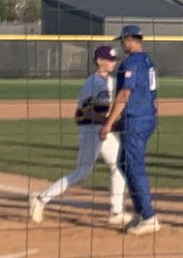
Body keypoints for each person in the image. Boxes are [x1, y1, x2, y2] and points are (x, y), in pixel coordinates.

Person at [29, 45, 129, 227]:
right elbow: (82, 113)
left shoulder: (109, 81)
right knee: (82, 173)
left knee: (120, 166)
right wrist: (112, 123)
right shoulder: (92, 83)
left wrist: (110, 123)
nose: (113, 62)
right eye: (109, 59)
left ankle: (116, 212)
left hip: (102, 130)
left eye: (114, 59)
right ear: (99, 61)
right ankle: (40, 199)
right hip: (91, 131)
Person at [100, 25, 161, 235]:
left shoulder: (132, 62)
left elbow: (125, 94)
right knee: (124, 163)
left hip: (136, 119)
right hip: (143, 117)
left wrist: (108, 123)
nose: (122, 44)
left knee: (134, 166)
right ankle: (141, 212)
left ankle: (149, 217)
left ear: (129, 39)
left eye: (123, 40)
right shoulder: (147, 61)